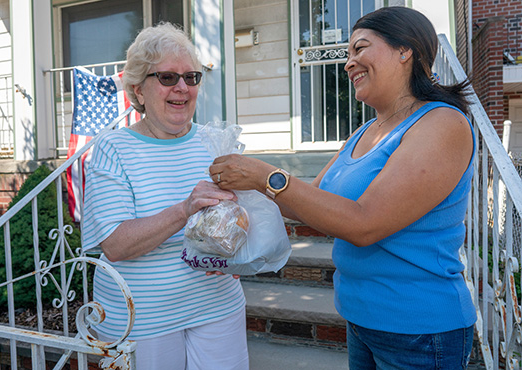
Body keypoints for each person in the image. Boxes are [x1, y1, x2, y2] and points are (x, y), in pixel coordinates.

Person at [210, 6, 476, 370]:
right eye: (348, 53)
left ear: (405, 51)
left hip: (417, 331)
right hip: (359, 319)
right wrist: (238, 187)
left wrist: (265, 176)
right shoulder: (364, 133)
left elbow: (364, 224)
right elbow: (308, 201)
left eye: (360, 48)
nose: (349, 62)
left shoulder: (441, 123)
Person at [82, 22, 248, 370]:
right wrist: (185, 209)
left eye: (192, 77)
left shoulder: (215, 143)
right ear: (138, 90)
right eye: (168, 78)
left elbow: (243, 219)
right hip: (142, 320)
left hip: (218, 305)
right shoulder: (112, 149)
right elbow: (114, 244)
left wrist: (238, 252)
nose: (182, 88)